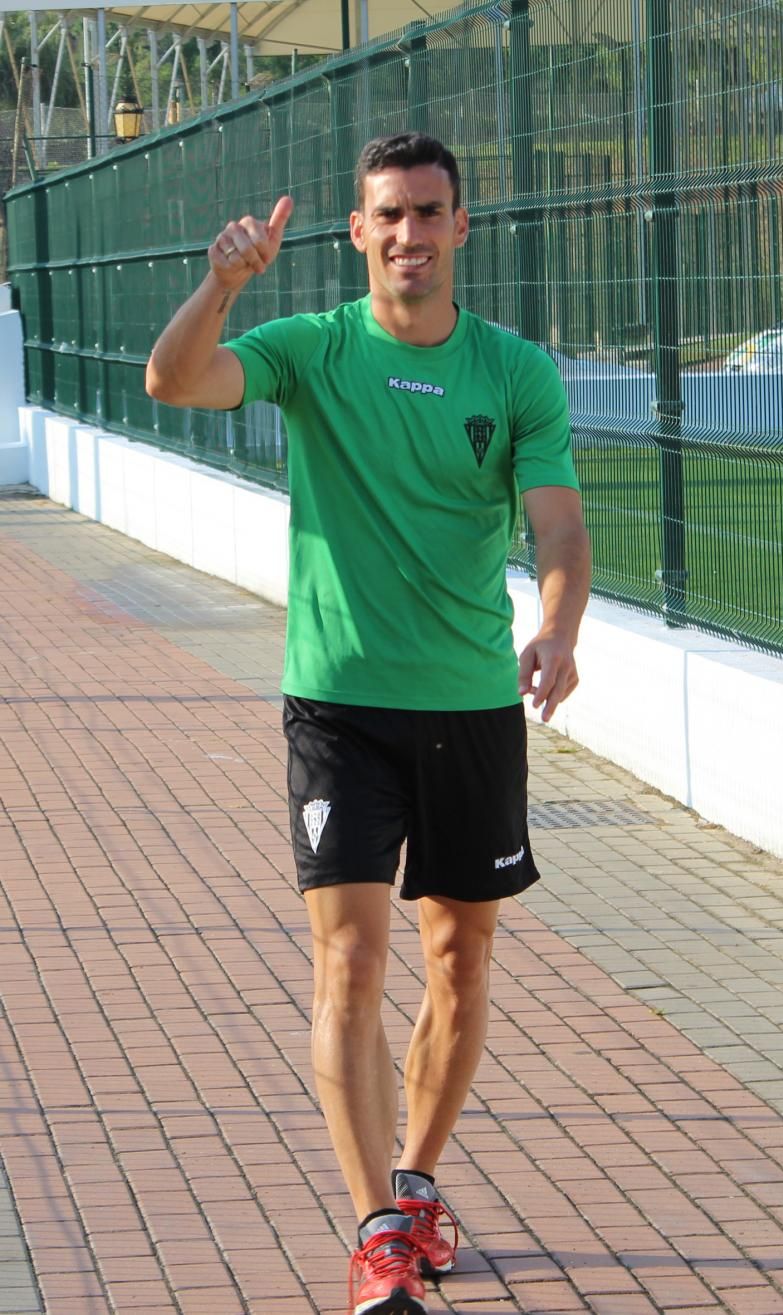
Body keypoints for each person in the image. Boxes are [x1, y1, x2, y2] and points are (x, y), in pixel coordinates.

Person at [145, 131, 591, 1315]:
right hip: (338, 703)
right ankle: (380, 1228)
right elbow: (175, 382)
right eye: (387, 215)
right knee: (349, 954)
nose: (409, 234)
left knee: (462, 957)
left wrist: (558, 626)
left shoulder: (514, 373)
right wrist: (224, 285)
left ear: (459, 227)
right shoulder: (312, 350)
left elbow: (558, 530)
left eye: (429, 213)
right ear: (357, 233)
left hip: (474, 707)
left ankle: (420, 1176)